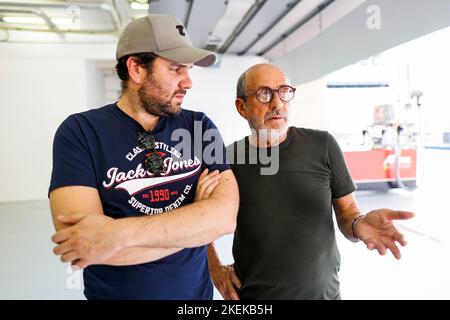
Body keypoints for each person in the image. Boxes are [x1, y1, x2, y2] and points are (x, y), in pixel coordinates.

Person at [49, 14, 239, 300]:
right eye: (176, 69)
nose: (188, 82)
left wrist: (117, 234)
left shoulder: (200, 127)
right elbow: (84, 245)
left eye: (188, 70)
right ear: (136, 68)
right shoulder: (80, 132)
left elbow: (224, 218)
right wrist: (194, 225)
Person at [206, 63, 414, 300]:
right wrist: (214, 267)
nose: (277, 103)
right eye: (264, 94)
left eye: (284, 91)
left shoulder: (323, 146)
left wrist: (360, 224)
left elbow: (348, 212)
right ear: (241, 107)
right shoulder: (227, 159)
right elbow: (200, 223)